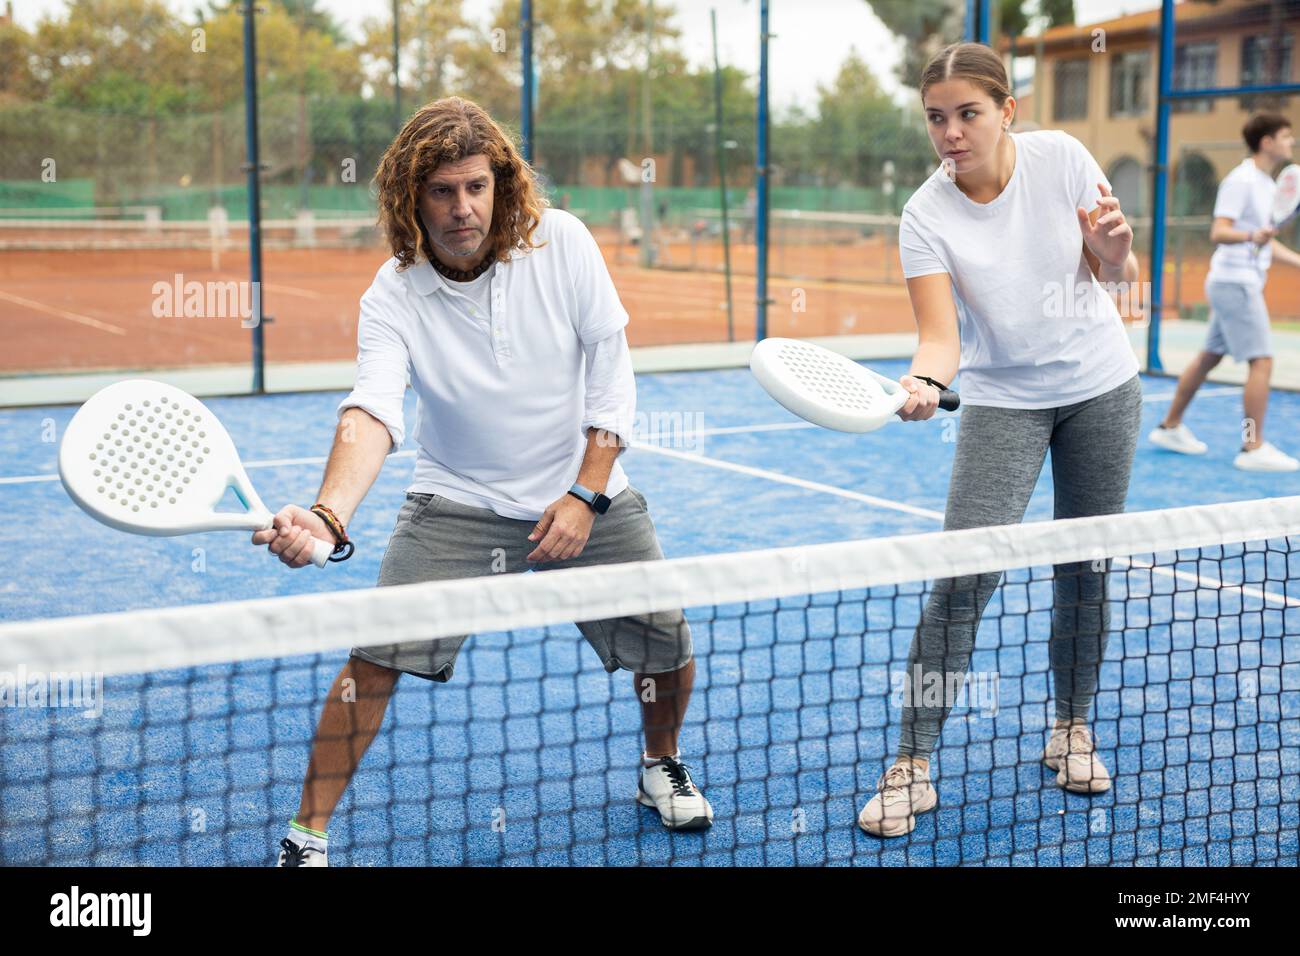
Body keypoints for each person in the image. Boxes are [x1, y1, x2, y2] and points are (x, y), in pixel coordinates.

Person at [256, 97, 712, 866]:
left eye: (475, 186)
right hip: (456, 500)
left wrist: (586, 492)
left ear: (501, 185)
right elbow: (372, 411)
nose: (462, 207)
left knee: (665, 644)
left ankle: (657, 765)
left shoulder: (562, 243)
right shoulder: (392, 294)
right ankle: (306, 837)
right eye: (441, 191)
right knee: (371, 664)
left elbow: (612, 370)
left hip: (583, 489)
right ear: (412, 198)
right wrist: (330, 516)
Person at [858, 43, 1143, 838]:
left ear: (1007, 110)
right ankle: (912, 763)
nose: (951, 132)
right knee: (961, 580)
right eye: (935, 118)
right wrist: (923, 382)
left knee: (1084, 567)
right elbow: (940, 338)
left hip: (1101, 389)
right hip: (1003, 401)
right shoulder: (925, 213)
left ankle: (1070, 729)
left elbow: (1119, 274)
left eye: (968, 113)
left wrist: (1116, 249)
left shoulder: (1062, 160)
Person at [1149, 113, 1300, 471]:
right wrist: (1251, 236)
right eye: (1286, 136)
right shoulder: (1242, 180)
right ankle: (1252, 446)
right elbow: (1219, 231)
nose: (1291, 142)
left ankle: (1169, 426)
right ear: (1266, 142)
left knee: (1208, 357)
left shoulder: (1266, 184)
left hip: (1236, 281)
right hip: (1235, 283)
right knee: (1261, 361)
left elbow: (1263, 243)